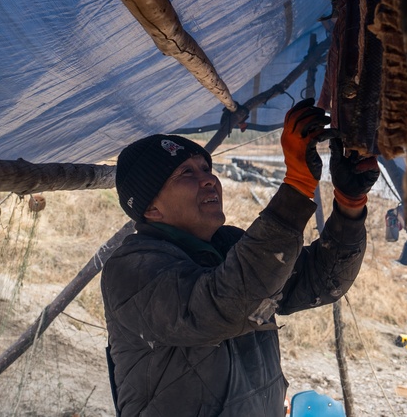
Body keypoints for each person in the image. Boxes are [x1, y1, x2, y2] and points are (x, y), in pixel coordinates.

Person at [101, 99, 378, 416]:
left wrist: (349, 205)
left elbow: (319, 282)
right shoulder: (132, 268)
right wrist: (297, 185)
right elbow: (225, 307)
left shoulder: (229, 244)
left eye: (206, 168)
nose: (208, 179)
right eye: (184, 173)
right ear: (152, 209)